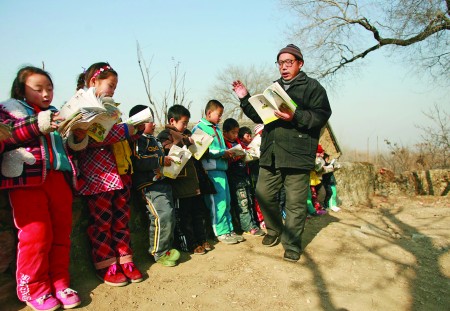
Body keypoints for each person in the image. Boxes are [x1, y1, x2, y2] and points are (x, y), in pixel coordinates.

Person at [232, 43, 332, 262]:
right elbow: (260, 116)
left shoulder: (312, 88)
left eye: (289, 62)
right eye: (280, 63)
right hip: (272, 152)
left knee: (295, 203)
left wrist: (295, 115)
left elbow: (321, 116)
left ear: (300, 63)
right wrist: (244, 97)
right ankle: (275, 229)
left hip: (297, 153)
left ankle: (292, 243)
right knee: (263, 193)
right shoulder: (274, 87)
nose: (284, 67)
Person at [0, 66, 81, 310]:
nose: (46, 94)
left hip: (59, 179)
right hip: (28, 180)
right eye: (38, 89)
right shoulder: (7, 110)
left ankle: (60, 282)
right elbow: (7, 135)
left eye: (49, 88)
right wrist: (38, 123)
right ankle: (34, 288)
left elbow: (64, 145)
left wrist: (78, 135)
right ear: (21, 89)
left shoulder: (55, 112)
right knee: (36, 235)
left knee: (61, 233)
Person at [75, 62, 143, 286]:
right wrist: (124, 131)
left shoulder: (110, 108)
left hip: (119, 172)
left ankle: (125, 259)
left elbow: (111, 135)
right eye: (110, 85)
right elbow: (93, 138)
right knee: (102, 223)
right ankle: (105, 262)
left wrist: (131, 132)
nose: (113, 90)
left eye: (115, 87)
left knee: (121, 221)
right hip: (98, 176)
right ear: (93, 81)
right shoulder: (81, 108)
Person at [129, 104, 181, 267]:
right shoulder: (137, 141)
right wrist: (160, 161)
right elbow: (137, 161)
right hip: (149, 186)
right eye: (149, 120)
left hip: (162, 183)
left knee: (170, 214)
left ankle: (167, 248)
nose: (154, 124)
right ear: (138, 122)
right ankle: (158, 252)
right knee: (161, 215)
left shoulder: (155, 140)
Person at [157, 104, 212, 255]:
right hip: (179, 186)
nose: (186, 126)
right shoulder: (164, 135)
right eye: (183, 122)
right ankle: (189, 244)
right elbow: (168, 151)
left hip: (194, 184)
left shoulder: (187, 133)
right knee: (183, 217)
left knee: (197, 214)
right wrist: (184, 142)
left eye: (187, 123)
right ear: (172, 121)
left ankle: (201, 239)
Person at [192, 100, 244, 244]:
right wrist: (223, 152)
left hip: (222, 170)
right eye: (218, 114)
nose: (220, 117)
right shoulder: (199, 128)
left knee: (226, 201)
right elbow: (201, 150)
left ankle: (229, 229)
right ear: (209, 113)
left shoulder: (217, 129)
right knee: (217, 203)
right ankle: (220, 232)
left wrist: (228, 153)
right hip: (211, 172)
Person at [223, 118, 265, 236]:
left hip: (244, 176)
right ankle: (247, 227)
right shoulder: (224, 143)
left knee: (249, 200)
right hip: (235, 179)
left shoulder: (238, 142)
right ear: (225, 132)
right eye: (233, 132)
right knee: (243, 203)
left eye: (237, 132)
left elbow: (246, 151)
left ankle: (253, 224)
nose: (235, 135)